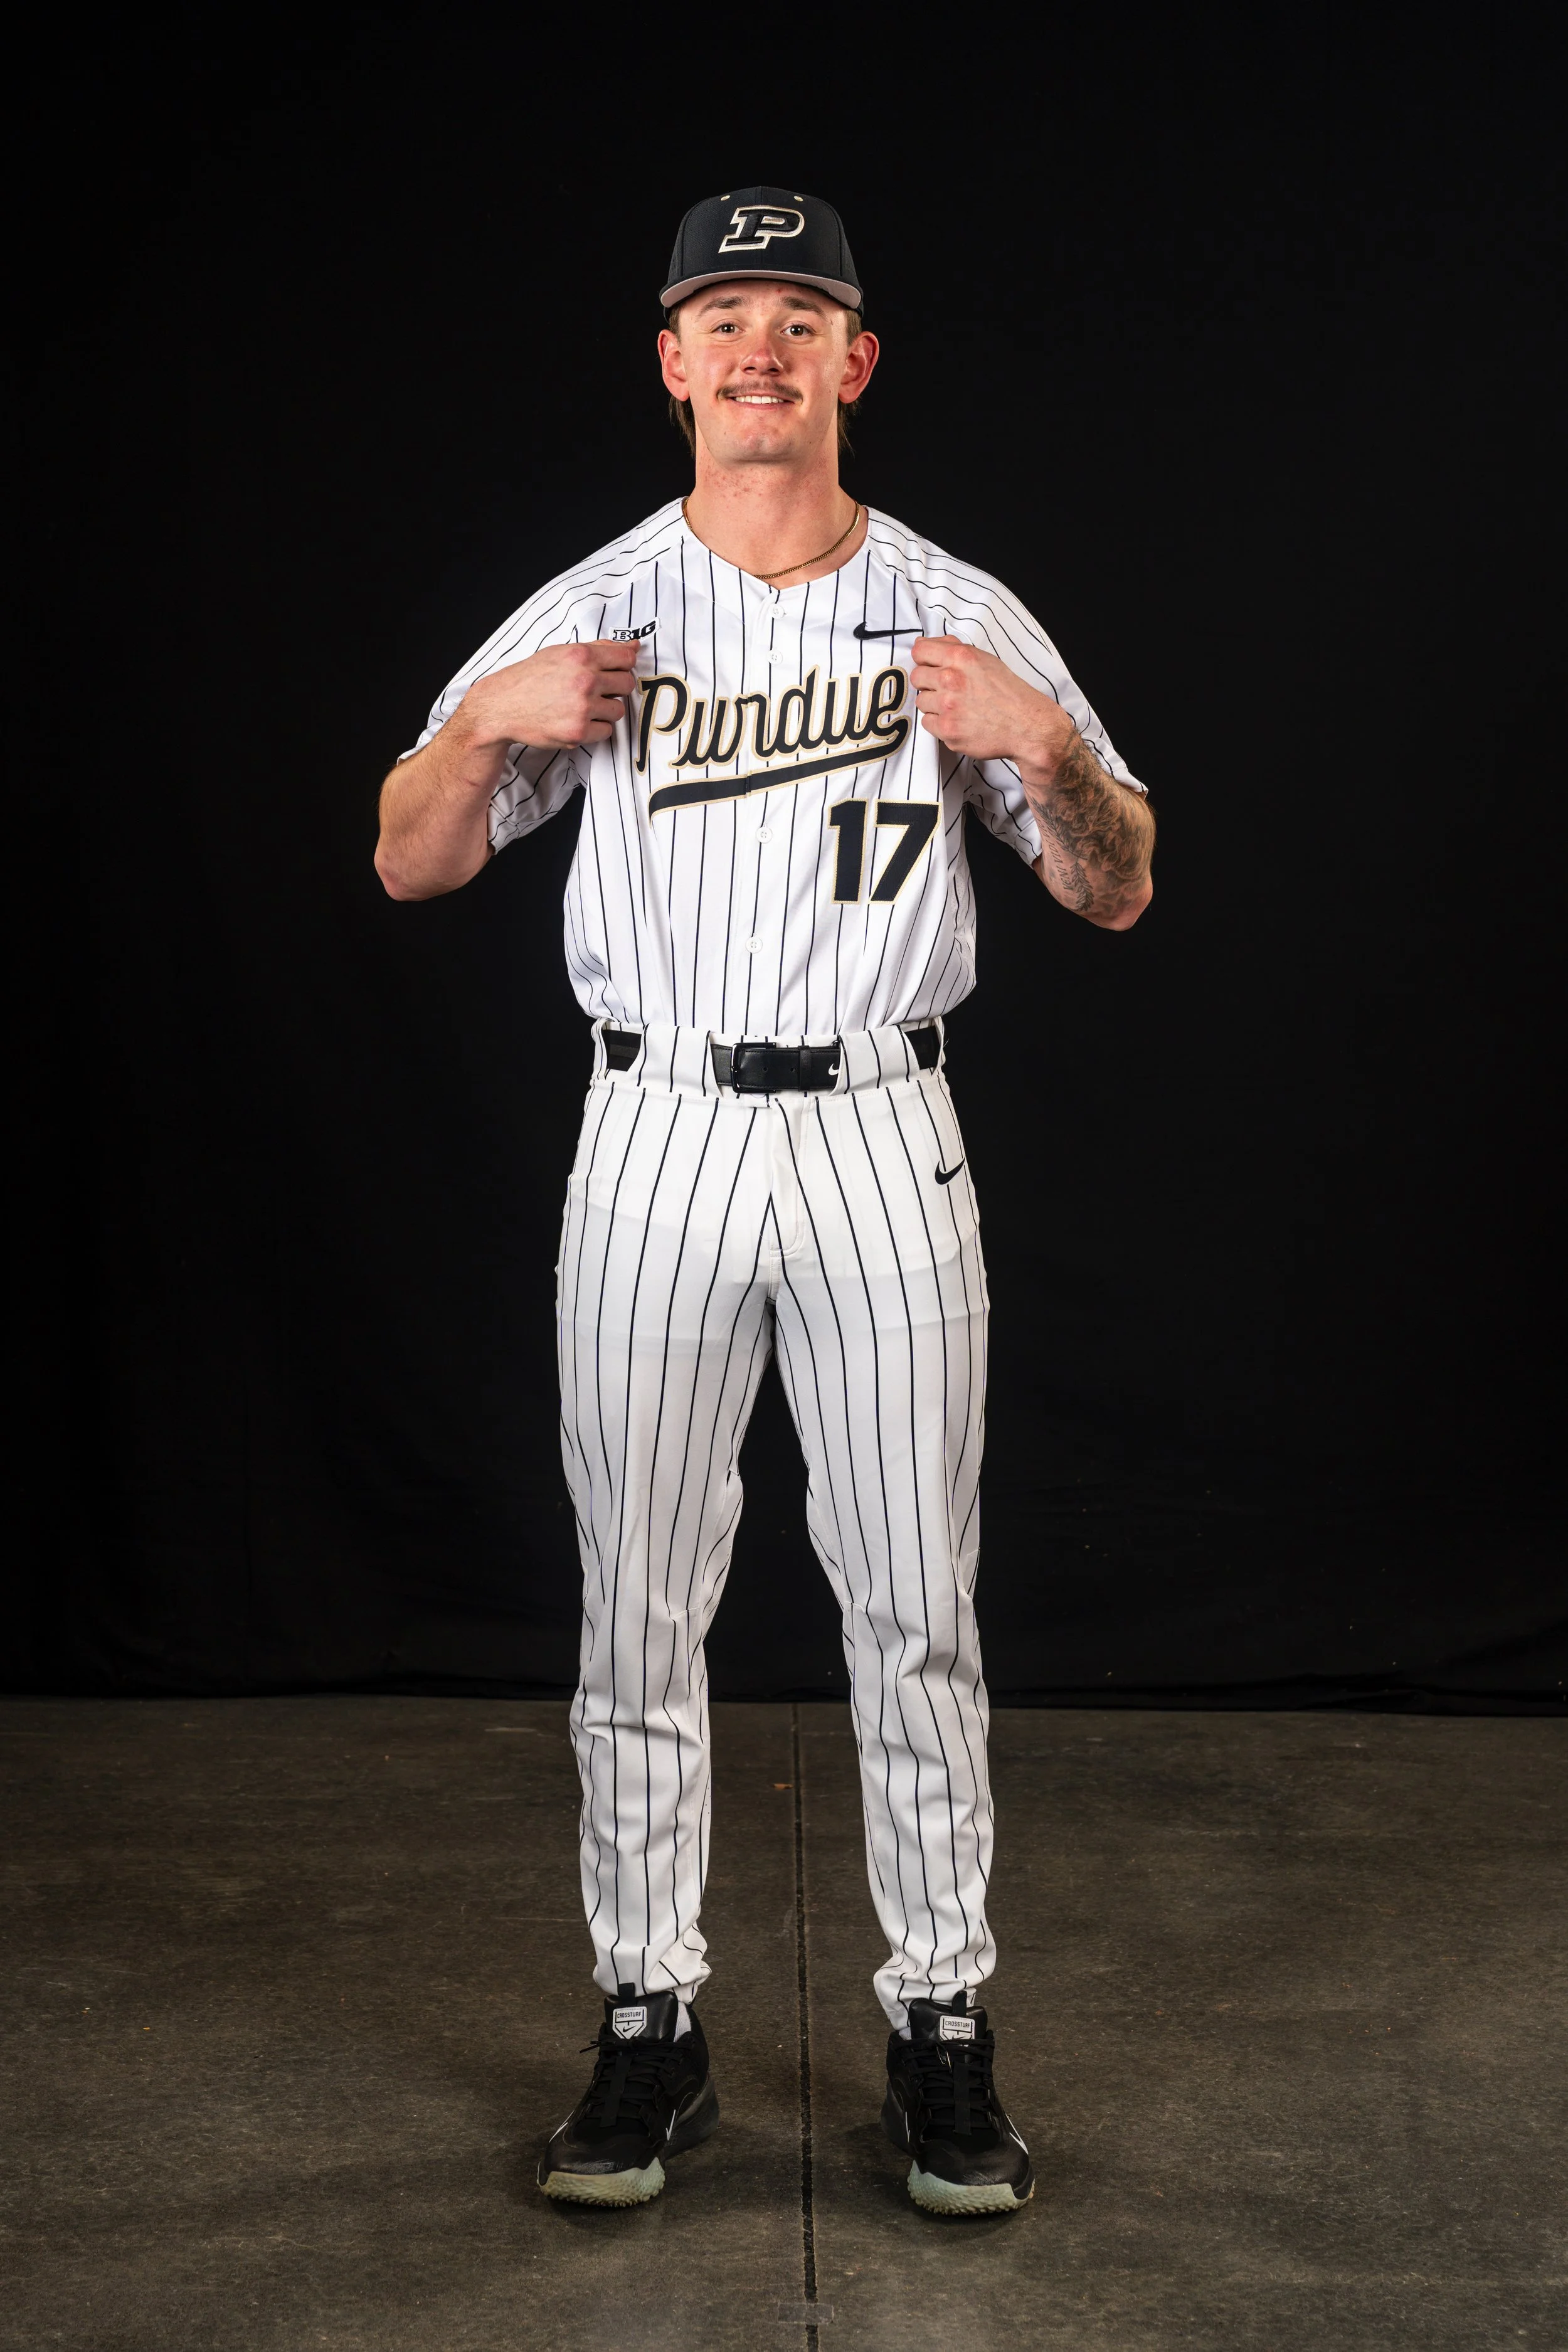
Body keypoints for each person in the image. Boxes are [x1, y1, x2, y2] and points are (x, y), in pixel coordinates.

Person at [375, 186, 1153, 2217]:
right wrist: (483, 729)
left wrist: (1043, 743)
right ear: (667, 359)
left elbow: (1117, 873)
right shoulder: (589, 610)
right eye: (720, 313)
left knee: (913, 1610)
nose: (756, 348)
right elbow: (406, 856)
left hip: (887, 1135)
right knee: (637, 1604)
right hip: (655, 1132)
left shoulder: (960, 609)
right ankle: (649, 2025)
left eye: (796, 316)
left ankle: (943, 2026)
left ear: (852, 363)